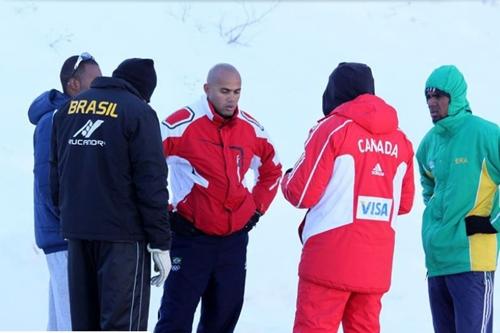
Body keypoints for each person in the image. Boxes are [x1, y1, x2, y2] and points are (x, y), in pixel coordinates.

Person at [281, 62, 415, 333]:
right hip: (375, 262)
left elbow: (301, 192)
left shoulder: (331, 129)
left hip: (327, 259)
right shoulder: (401, 141)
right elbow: (404, 203)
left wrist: (287, 176)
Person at [155, 63, 282, 333]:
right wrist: (165, 213)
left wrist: (255, 210)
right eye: (225, 91)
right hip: (191, 238)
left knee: (223, 317)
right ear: (207, 89)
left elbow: (273, 170)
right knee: (175, 319)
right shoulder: (181, 124)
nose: (231, 98)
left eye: (237, 92)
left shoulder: (251, 128)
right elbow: (146, 167)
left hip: (233, 242)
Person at [50, 58, 172, 330]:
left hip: (79, 235)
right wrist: (161, 242)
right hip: (123, 241)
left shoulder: (68, 110)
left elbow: (55, 177)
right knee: (121, 325)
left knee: (85, 324)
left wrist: (71, 219)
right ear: (143, 91)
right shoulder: (139, 112)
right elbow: (151, 183)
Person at [417, 65, 500, 333]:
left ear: (455, 97)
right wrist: (433, 225)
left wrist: (492, 221)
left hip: (472, 260)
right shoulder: (428, 144)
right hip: (437, 262)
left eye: (438, 96)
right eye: (427, 97)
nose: (431, 103)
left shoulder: (485, 134)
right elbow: (429, 185)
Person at [28, 52, 101, 330]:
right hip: (63, 235)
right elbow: (48, 181)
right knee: (75, 319)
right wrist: (72, 222)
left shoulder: (74, 117)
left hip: (70, 233)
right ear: (74, 85)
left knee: (62, 320)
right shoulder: (54, 120)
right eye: (96, 80)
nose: (102, 86)